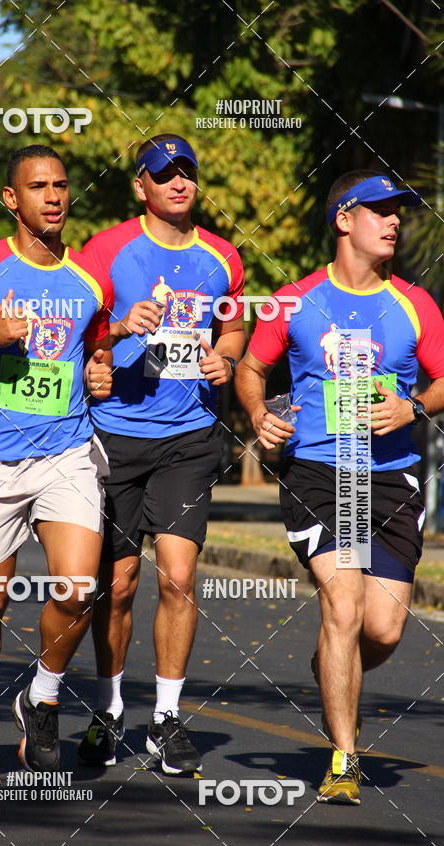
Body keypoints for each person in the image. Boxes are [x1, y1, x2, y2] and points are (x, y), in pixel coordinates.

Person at [236, 170, 444, 804]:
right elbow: (250, 366)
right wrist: (256, 413)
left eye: (398, 213)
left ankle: (336, 664)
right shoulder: (294, 299)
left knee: (381, 629)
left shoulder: (415, 302)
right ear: (344, 219)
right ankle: (343, 761)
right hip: (318, 473)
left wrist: (413, 408)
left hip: (390, 478)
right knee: (344, 607)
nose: (394, 221)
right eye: (380, 210)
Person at [0, 144, 114, 784]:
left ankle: (41, 695)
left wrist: (100, 369)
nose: (54, 196)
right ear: (13, 199)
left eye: (61, 185)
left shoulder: (91, 276)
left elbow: (98, 343)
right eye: (38, 186)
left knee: (77, 586)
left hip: (66, 450)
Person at [77, 134, 245, 775]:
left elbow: (233, 325)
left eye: (186, 173)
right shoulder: (106, 250)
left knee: (178, 577)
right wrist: (105, 347)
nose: (178, 183)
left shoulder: (222, 257)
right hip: (116, 432)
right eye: (163, 174)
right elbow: (80, 324)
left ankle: (167, 719)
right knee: (115, 587)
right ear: (140, 186)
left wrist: (224, 359)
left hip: (190, 438)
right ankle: (109, 707)